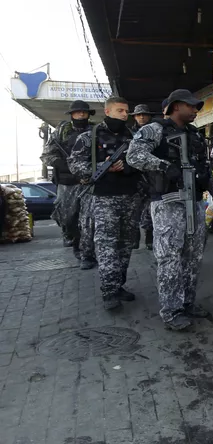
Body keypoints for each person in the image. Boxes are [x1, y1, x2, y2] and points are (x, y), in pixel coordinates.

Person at [127, 89, 210, 331]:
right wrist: (164, 166)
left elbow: (203, 165)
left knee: (193, 257)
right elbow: (134, 155)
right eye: (191, 106)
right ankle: (172, 311)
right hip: (168, 202)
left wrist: (212, 189)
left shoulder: (194, 134)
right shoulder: (155, 130)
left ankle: (187, 303)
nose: (195, 110)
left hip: (194, 201)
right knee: (169, 258)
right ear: (176, 106)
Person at [68, 97, 139, 310]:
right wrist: (102, 166)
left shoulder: (134, 136)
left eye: (126, 111)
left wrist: (128, 167)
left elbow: (143, 161)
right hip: (104, 198)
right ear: (107, 111)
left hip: (130, 196)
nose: (124, 115)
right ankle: (109, 292)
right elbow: (75, 164)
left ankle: (118, 285)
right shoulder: (89, 136)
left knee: (126, 244)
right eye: (120, 111)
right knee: (107, 244)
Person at [40, 100, 97, 266]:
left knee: (88, 220)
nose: (81, 114)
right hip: (68, 183)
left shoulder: (95, 131)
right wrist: (65, 166)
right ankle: (72, 238)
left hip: (89, 182)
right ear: (71, 114)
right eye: (77, 112)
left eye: (84, 112)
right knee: (68, 217)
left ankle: (86, 253)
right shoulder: (61, 132)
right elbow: (47, 156)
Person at [129, 104, 155, 250]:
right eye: (139, 115)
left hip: (151, 176)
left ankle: (149, 237)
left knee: (150, 210)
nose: (142, 117)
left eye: (144, 114)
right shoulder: (129, 133)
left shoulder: (155, 131)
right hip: (134, 177)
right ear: (134, 117)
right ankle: (134, 238)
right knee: (134, 210)